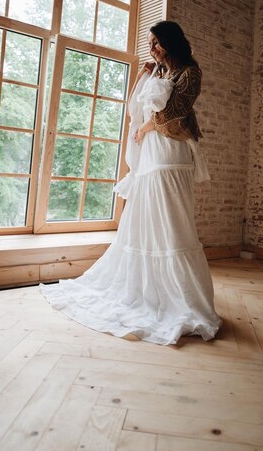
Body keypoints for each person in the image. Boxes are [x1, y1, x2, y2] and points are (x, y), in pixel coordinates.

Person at [39, 21, 222, 345]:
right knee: (146, 221)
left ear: (171, 42)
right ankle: (149, 293)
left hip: (171, 154)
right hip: (151, 155)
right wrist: (143, 75)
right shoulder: (160, 73)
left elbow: (173, 113)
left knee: (173, 223)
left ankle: (182, 298)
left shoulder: (190, 73)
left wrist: (145, 130)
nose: (153, 48)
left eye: (157, 43)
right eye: (149, 43)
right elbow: (135, 109)